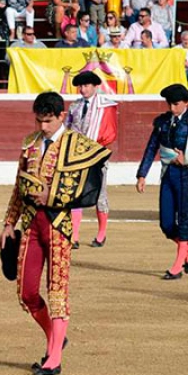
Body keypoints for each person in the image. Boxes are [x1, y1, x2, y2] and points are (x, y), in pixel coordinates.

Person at [1, 93, 111, 375]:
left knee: (57, 291)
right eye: (39, 120)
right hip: (31, 224)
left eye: (48, 121)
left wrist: (54, 195)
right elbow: (18, 185)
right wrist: (8, 222)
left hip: (59, 225)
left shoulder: (78, 144)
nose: (43, 126)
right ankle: (55, 338)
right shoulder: (30, 142)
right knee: (26, 292)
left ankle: (54, 359)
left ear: (62, 116)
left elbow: (91, 184)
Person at [138, 84, 188, 279]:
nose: (172, 108)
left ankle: (177, 266)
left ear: (186, 102)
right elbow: (152, 147)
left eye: (176, 104)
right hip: (169, 173)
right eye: (170, 104)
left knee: (185, 220)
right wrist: (142, 174)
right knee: (166, 223)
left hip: (186, 175)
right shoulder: (163, 121)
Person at [65, 71, 118, 249]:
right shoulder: (75, 107)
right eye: (80, 86)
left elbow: (109, 132)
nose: (82, 89)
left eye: (86, 85)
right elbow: (67, 129)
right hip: (78, 157)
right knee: (75, 194)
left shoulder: (105, 106)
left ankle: (102, 233)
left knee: (100, 194)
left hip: (97, 156)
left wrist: (96, 152)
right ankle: (75, 236)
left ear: (95, 87)